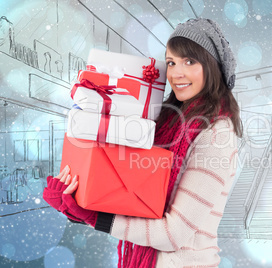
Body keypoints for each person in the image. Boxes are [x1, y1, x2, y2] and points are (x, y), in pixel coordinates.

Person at [43, 18, 242, 267]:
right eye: (171, 62)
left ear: (213, 67)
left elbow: (173, 234)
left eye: (189, 61)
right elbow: (132, 198)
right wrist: (78, 201)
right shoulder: (163, 123)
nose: (176, 73)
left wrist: (95, 218)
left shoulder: (216, 134)